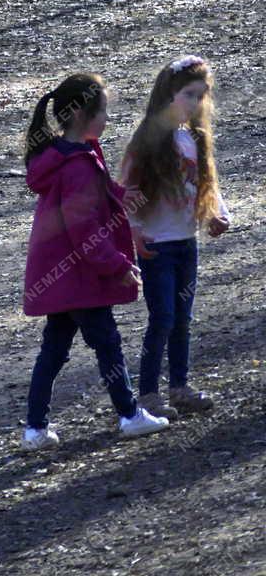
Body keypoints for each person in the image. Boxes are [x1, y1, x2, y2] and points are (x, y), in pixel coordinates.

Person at [20, 72, 169, 449]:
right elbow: (84, 230)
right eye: (103, 111)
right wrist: (118, 265)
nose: (107, 120)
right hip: (81, 279)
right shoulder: (78, 166)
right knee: (108, 345)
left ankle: (35, 428)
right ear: (82, 115)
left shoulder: (67, 157)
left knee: (54, 349)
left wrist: (126, 194)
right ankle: (130, 414)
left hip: (61, 279)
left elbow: (97, 195)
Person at [120, 54, 230, 419]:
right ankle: (148, 394)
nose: (197, 103)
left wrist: (218, 213)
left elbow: (206, 184)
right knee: (162, 317)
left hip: (186, 240)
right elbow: (126, 191)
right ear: (169, 94)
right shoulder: (149, 140)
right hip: (156, 243)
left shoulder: (193, 138)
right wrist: (134, 231)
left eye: (202, 95)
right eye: (189, 94)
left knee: (183, 317)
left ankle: (179, 386)